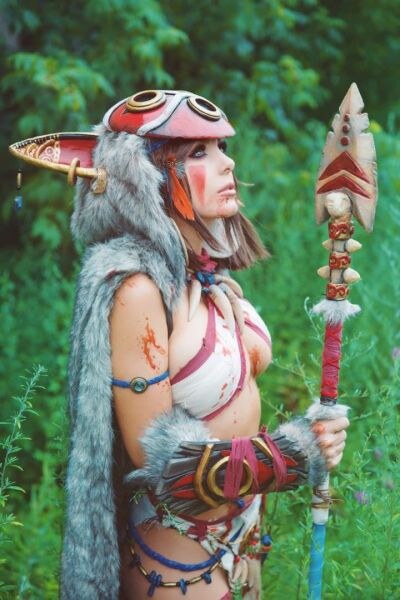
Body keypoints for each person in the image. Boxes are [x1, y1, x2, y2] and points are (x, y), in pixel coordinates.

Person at [9, 89, 349, 600]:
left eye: (220, 148)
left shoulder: (207, 277)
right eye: (198, 153)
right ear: (142, 178)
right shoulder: (137, 291)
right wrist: (296, 452)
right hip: (175, 568)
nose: (227, 162)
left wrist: (254, 537)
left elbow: (238, 409)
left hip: (238, 546)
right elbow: (164, 463)